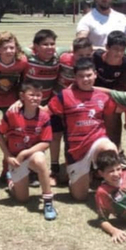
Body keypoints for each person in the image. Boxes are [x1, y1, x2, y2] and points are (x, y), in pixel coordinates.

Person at [48, 57, 118, 201]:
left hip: (97, 140)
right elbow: (45, 113)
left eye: (89, 75)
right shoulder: (64, 96)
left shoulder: (103, 96)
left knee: (110, 148)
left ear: (95, 75)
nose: (86, 79)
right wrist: (20, 103)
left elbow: (110, 122)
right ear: (75, 78)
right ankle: (74, 176)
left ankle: (116, 191)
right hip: (76, 149)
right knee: (80, 196)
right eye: (81, 76)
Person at [0, 82, 56, 220]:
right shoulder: (12, 113)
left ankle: (48, 201)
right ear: (22, 96)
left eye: (38, 95)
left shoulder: (44, 116)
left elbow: (46, 142)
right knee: (22, 199)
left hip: (31, 156)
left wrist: (24, 153)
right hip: (16, 160)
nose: (35, 98)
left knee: (40, 160)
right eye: (31, 95)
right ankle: (12, 183)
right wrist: (7, 156)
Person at [0, 32, 29, 189]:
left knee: (9, 134)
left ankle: (6, 170)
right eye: (5, 48)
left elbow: (24, 82)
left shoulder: (22, 61)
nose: (10, 51)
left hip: (11, 101)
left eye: (12, 47)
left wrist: (20, 100)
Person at [51, 37, 93, 185]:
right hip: (58, 101)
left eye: (88, 55)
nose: (85, 58)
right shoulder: (63, 59)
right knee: (55, 136)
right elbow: (56, 51)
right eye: (81, 55)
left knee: (72, 136)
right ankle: (54, 168)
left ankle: (83, 166)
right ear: (73, 53)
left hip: (76, 105)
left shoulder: (90, 66)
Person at [22, 29, 63, 104]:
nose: (49, 47)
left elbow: (71, 48)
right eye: (45, 44)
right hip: (28, 101)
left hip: (47, 101)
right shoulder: (30, 58)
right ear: (36, 46)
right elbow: (18, 49)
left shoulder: (56, 57)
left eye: (52, 44)